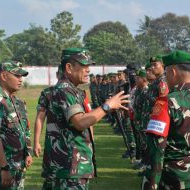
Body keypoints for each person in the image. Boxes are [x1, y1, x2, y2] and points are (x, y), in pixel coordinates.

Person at [34, 48, 129, 190]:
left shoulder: (73, 90)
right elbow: (80, 122)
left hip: (68, 167)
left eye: (88, 66)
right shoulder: (65, 90)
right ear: (69, 67)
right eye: (84, 66)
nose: (88, 70)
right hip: (68, 168)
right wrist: (107, 106)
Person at [142, 50, 190, 190]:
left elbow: (156, 149)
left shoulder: (165, 103)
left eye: (166, 73)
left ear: (173, 72)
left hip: (175, 179)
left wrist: (151, 185)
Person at [0, 61, 33, 189]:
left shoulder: (17, 102)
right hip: (2, 171)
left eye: (21, 77)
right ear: (4, 76)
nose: (21, 80)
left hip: (18, 168)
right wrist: (4, 168)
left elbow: (24, 129)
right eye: (17, 75)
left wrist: (28, 152)